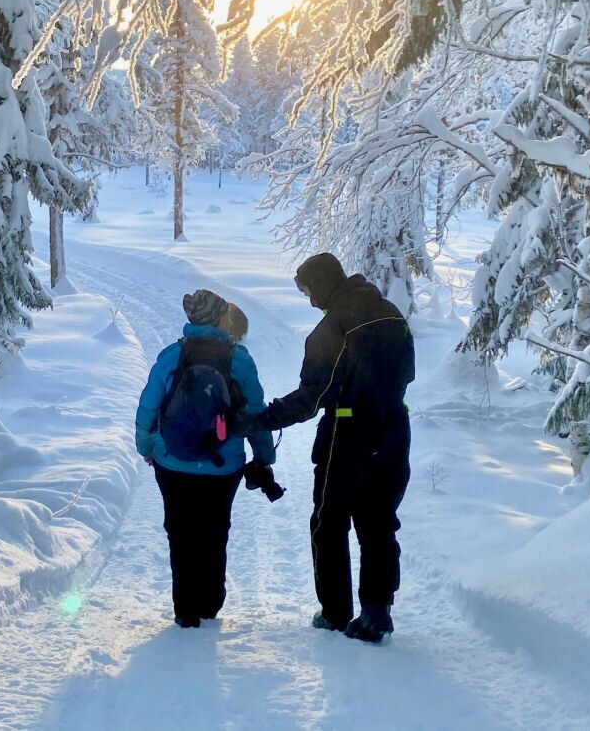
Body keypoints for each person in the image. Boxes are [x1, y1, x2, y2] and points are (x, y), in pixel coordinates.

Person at [248, 253, 414, 642]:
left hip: (348, 432)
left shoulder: (332, 328)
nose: (309, 300)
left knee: (329, 521)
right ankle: (377, 613)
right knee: (379, 521)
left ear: (322, 284)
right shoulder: (392, 314)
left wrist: (263, 419)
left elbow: (311, 398)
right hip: (394, 427)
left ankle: (336, 612)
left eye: (308, 291)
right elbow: (408, 373)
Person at [136, 289, 276, 628]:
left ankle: (185, 608)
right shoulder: (239, 360)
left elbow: (148, 407)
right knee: (215, 530)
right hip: (222, 465)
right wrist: (264, 456)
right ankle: (210, 603)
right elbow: (255, 413)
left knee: (180, 531)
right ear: (219, 318)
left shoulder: (171, 356)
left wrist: (148, 447)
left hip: (173, 463)